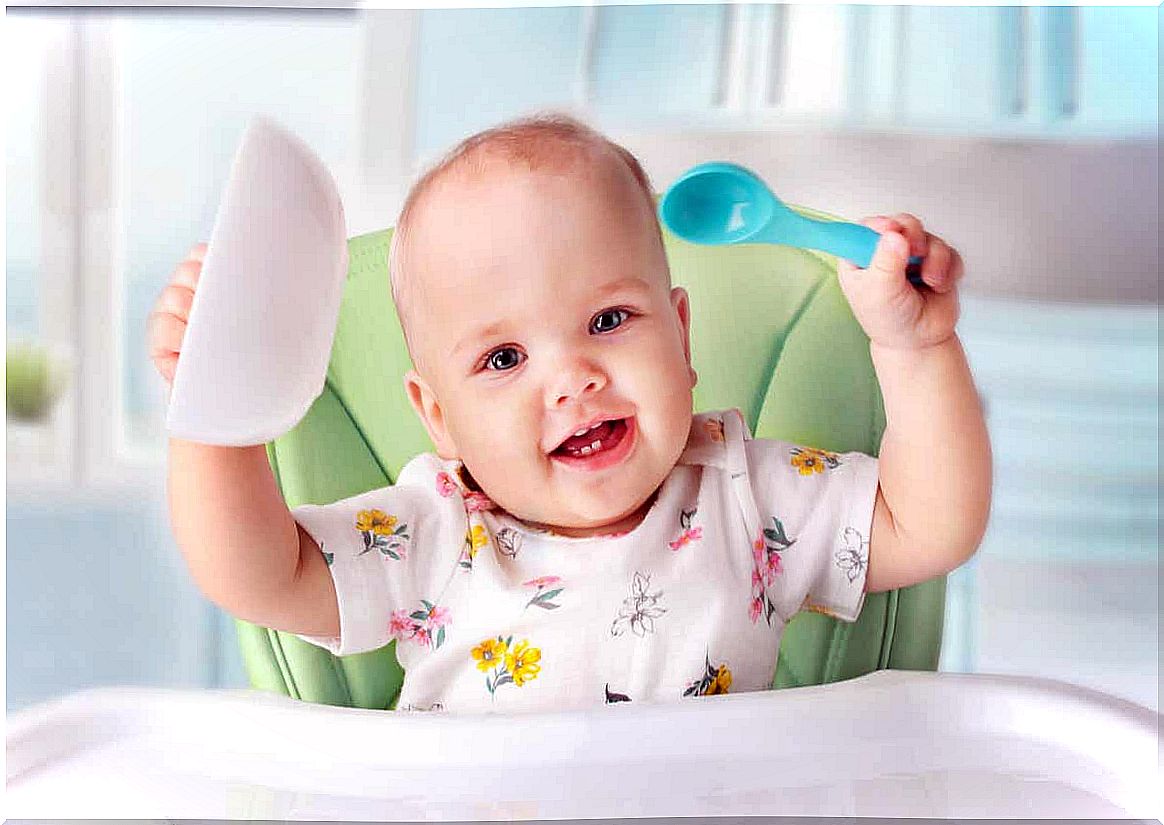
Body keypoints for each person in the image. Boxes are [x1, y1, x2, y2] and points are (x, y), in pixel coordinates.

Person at [149, 113, 991, 713]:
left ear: (680, 334)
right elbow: (257, 574)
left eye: (609, 321)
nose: (573, 378)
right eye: (504, 359)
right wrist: (218, 414)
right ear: (437, 417)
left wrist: (913, 349)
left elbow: (928, 525)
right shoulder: (433, 535)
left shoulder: (745, 495)